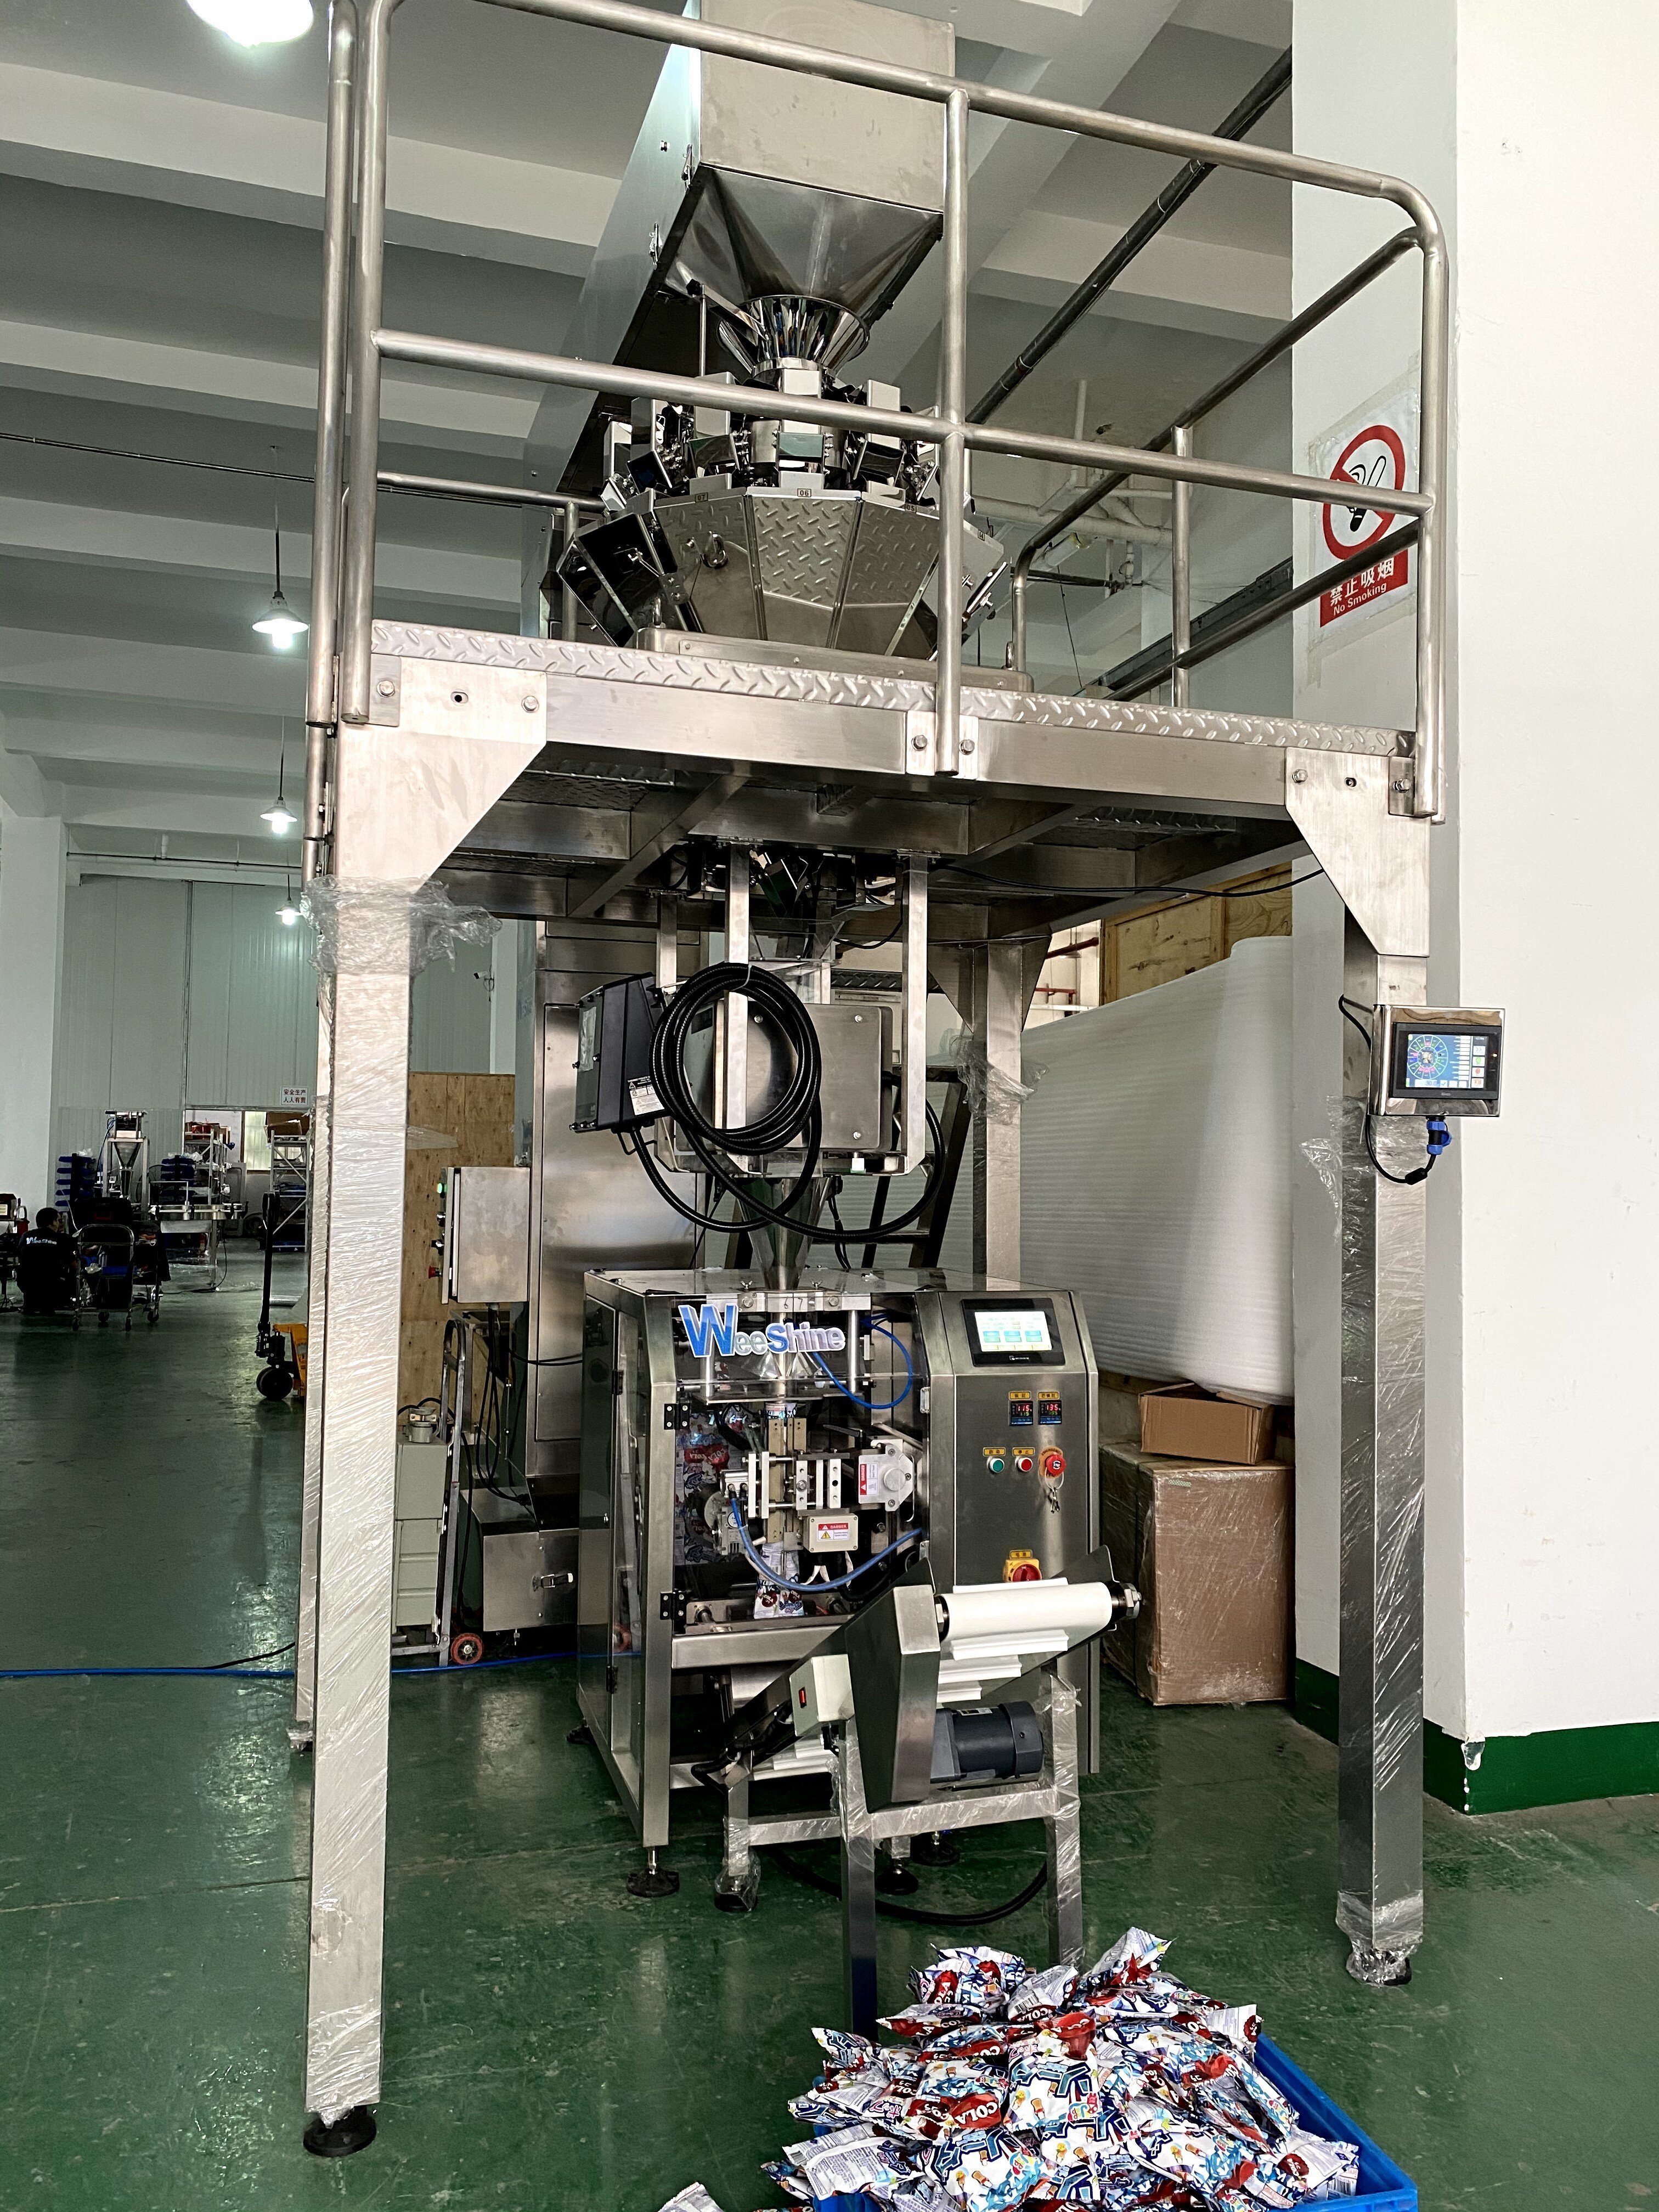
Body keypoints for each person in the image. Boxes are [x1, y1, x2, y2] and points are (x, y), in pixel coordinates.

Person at [19, 1206, 77, 1316]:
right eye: (59, 1220)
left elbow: (20, 1258)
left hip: (26, 1283)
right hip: (52, 1284)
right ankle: (63, 1302)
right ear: (54, 1222)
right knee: (75, 1272)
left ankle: (30, 1304)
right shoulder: (62, 1239)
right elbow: (74, 1265)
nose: (60, 1224)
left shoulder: (26, 1236)